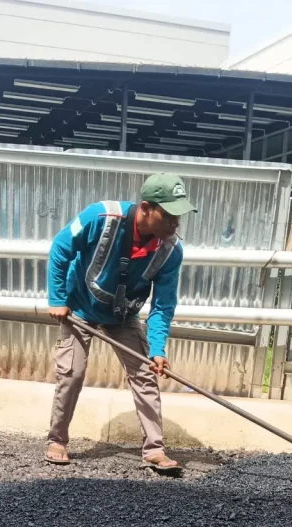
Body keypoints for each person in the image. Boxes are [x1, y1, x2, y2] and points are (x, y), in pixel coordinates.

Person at [46, 172, 196, 471]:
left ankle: (155, 450)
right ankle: (57, 440)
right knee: (72, 373)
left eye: (179, 217)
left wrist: (157, 350)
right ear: (145, 208)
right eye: (168, 216)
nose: (175, 224)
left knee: (145, 375)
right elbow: (61, 249)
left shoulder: (170, 251)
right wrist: (58, 299)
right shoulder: (100, 216)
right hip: (78, 308)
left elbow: (163, 305)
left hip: (123, 314)